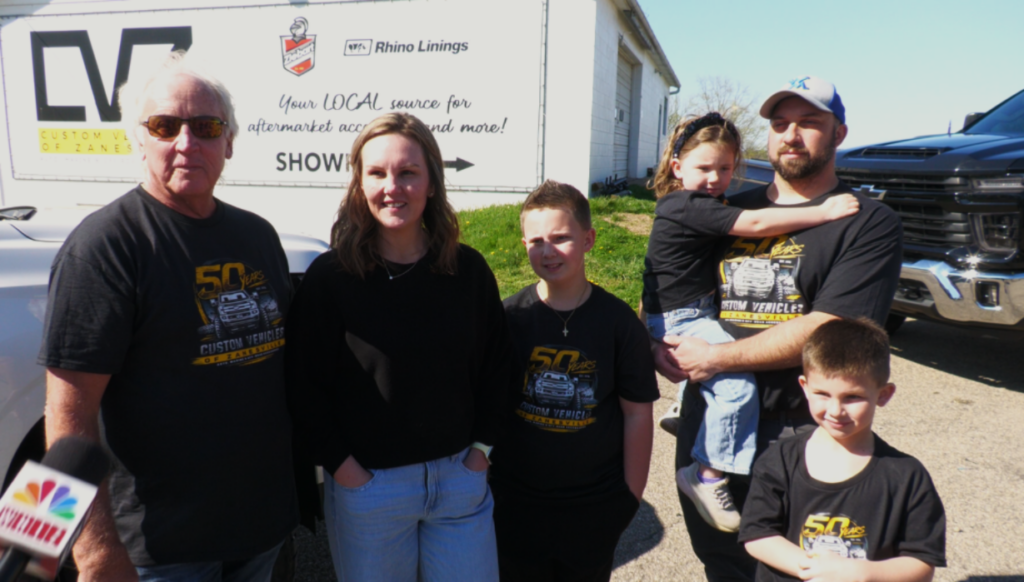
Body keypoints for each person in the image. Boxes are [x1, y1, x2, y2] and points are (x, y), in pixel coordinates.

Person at [39, 51, 298, 582]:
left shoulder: (258, 237)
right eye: (164, 125)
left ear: (229, 141)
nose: (186, 143)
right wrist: (92, 551)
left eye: (205, 126)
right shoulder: (105, 248)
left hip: (259, 533)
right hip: (160, 552)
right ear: (138, 139)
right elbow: (66, 415)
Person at [656, 75, 904, 581]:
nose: (791, 134)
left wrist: (716, 358)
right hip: (710, 422)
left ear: (839, 133)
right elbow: (671, 278)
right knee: (723, 563)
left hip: (800, 434)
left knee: (796, 571)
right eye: (780, 123)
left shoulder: (865, 220)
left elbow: (830, 330)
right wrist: (656, 341)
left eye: (810, 123)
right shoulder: (724, 208)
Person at [284, 112, 512, 582]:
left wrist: (480, 455)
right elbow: (303, 388)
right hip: (370, 490)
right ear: (359, 185)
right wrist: (347, 472)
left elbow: (498, 368)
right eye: (377, 173)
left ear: (431, 183)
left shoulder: (467, 271)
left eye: (408, 172)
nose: (393, 186)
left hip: (459, 485)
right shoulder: (331, 279)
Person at [643, 113, 859, 533]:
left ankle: (688, 404)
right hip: (683, 316)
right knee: (736, 384)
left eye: (725, 169)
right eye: (704, 168)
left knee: (716, 362)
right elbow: (757, 224)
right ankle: (705, 474)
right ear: (677, 168)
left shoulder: (703, 204)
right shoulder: (685, 205)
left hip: (688, 310)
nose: (715, 178)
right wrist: (823, 211)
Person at [489, 180, 659, 582]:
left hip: (593, 507)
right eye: (536, 241)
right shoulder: (507, 319)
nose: (547, 251)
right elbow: (489, 405)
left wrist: (628, 500)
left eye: (561, 238)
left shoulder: (619, 324)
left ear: (589, 239)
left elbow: (637, 415)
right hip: (514, 506)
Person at [740, 318, 946, 581]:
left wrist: (864, 573)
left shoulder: (907, 476)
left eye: (852, 397)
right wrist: (816, 569)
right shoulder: (779, 460)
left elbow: (922, 563)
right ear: (804, 387)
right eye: (822, 394)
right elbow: (757, 535)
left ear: (883, 395)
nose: (836, 410)